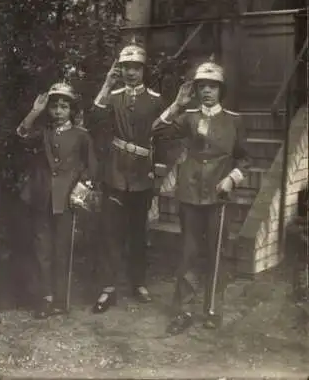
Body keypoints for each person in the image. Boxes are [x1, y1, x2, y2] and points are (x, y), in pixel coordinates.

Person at [152, 58, 250, 335]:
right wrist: (177, 104)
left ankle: (212, 309)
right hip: (190, 194)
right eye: (202, 86)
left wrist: (231, 180)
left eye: (212, 86)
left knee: (216, 254)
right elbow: (157, 132)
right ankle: (182, 310)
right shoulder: (189, 117)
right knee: (188, 253)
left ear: (221, 90)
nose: (207, 91)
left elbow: (245, 160)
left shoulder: (234, 121)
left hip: (219, 196)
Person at [90, 38, 166, 313]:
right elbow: (94, 121)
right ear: (119, 70)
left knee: (138, 231)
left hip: (142, 173)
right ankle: (107, 288)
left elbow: (165, 138)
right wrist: (107, 84)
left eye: (135, 67)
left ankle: (138, 282)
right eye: (126, 67)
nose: (131, 72)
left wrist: (159, 171)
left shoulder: (156, 100)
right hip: (115, 171)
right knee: (111, 231)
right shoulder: (111, 97)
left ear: (144, 70)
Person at [17, 82, 98, 319]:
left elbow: (91, 167)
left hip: (66, 199)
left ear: (72, 110)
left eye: (64, 106)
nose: (59, 111)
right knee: (42, 248)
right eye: (54, 106)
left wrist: (79, 192)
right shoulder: (41, 132)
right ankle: (46, 297)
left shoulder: (81, 136)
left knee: (63, 249)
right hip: (41, 197)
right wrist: (35, 111)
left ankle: (61, 299)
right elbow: (21, 135)